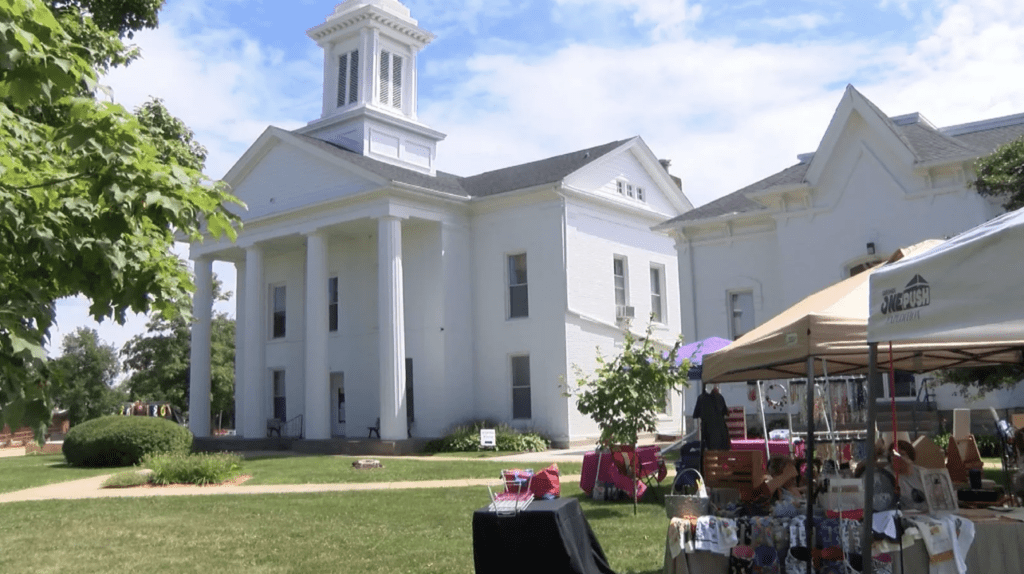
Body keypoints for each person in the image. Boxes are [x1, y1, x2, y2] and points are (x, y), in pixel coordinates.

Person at [693, 384, 731, 450]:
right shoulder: (719, 397)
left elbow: (696, 414)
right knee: (721, 451)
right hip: (720, 431)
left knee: (710, 451)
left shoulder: (701, 398)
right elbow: (726, 413)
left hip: (707, 431)